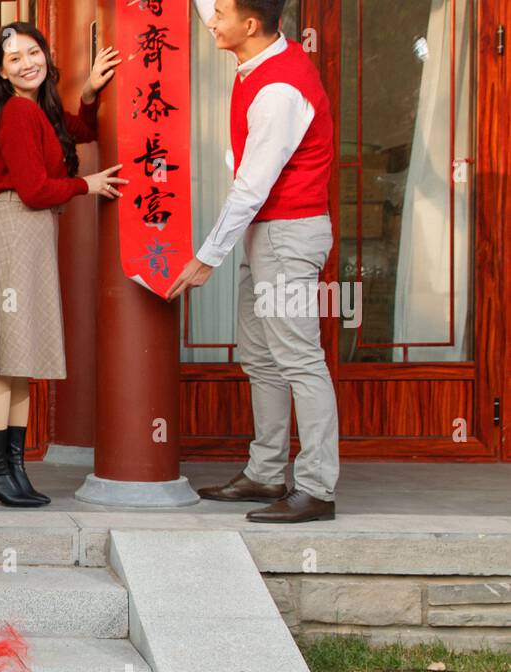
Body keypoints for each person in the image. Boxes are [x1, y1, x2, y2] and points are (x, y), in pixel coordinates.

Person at [167, 0, 338, 523]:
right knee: (261, 357)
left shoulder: (279, 90)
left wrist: (204, 259)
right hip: (266, 234)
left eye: (220, 15)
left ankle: (317, 488)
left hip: (288, 235)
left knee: (299, 359)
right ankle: (265, 472)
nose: (210, 21)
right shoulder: (257, 50)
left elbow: (249, 189)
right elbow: (211, 9)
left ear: (249, 25)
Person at [0, 23, 126, 507]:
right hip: (16, 228)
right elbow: (32, 190)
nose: (26, 62)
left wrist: (90, 90)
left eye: (33, 52)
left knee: (21, 360)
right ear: (3, 73)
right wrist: (85, 186)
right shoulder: (16, 112)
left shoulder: (40, 110)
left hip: (32, 233)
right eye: (14, 59)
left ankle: (13, 469)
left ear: (47, 58)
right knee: (1, 362)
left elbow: (84, 129)